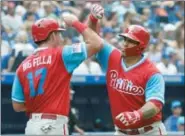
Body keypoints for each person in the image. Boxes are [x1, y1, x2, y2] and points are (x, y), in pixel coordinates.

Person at [11, 13, 102, 135]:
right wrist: (75, 23)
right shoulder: (61, 54)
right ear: (53, 35)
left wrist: (41, 104)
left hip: (32, 126)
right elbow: (97, 44)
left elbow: (17, 106)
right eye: (59, 33)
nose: (61, 37)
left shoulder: (22, 66)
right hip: (53, 126)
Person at [87, 4, 167, 135]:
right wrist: (93, 19)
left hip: (149, 131)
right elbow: (93, 39)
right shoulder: (112, 56)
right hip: (121, 132)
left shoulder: (152, 72)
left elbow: (155, 104)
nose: (124, 43)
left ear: (140, 46)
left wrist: (137, 115)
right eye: (124, 39)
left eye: (129, 40)